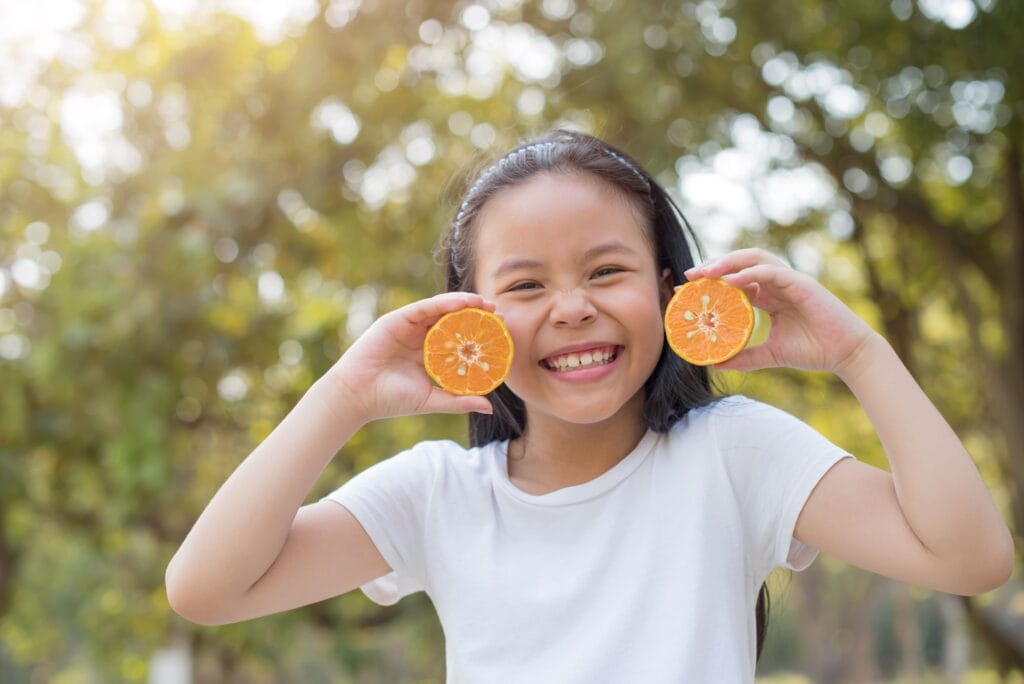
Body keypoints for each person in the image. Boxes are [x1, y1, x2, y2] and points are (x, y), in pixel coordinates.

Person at [165, 129, 1013, 681]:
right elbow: (206, 588)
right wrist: (344, 396)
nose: (571, 307)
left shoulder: (732, 457)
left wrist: (859, 354)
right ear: (472, 320)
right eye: (526, 284)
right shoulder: (439, 496)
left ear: (670, 289)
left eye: (606, 272)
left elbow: (970, 559)